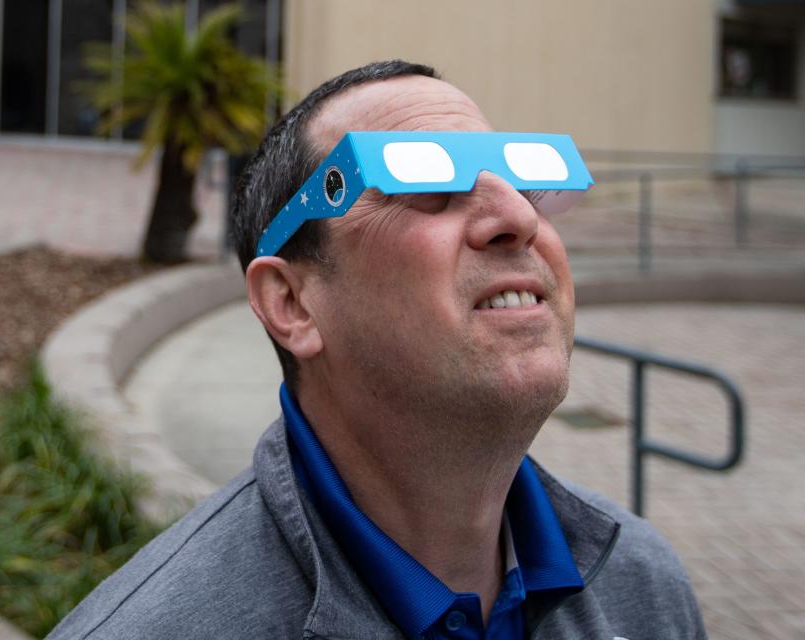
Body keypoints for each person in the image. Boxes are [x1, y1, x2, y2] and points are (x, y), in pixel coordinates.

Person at [47, 61, 706, 640]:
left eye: (525, 184)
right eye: (424, 180)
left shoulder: (644, 587)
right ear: (292, 304)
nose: (520, 218)